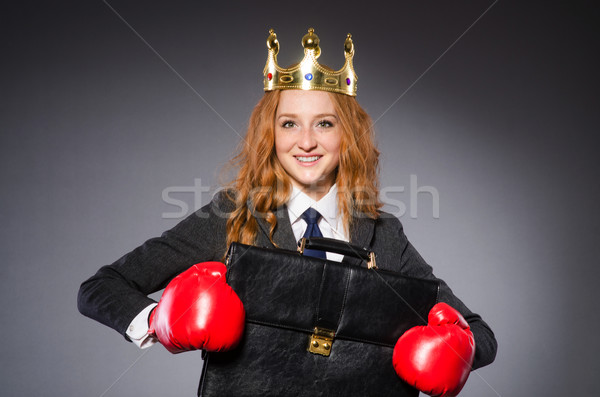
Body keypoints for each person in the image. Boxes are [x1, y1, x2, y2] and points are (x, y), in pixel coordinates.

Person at [78, 28, 497, 396]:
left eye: (325, 124)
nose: (307, 142)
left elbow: (479, 333)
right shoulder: (232, 215)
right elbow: (100, 288)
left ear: (347, 135)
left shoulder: (382, 233)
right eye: (290, 124)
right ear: (271, 133)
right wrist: (160, 321)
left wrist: (455, 351)